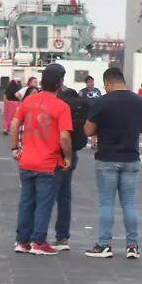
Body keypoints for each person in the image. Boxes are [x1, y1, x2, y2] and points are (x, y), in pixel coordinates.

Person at [83, 67, 142, 259]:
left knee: (107, 203)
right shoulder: (139, 101)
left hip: (107, 158)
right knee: (129, 203)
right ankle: (132, 246)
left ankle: (105, 244)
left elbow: (88, 131)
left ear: (108, 83)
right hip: (131, 158)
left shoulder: (101, 102)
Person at [10, 64, 73, 256]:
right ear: (60, 82)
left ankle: (22, 241)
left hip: (27, 160)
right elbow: (64, 136)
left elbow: (14, 123)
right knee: (44, 203)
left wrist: (15, 147)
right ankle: (39, 241)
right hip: (48, 162)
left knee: (26, 201)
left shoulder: (29, 101)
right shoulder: (62, 106)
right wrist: (68, 157)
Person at [53, 84, 90, 251]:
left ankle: (36, 235)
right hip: (72, 152)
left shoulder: (56, 103)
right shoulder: (79, 103)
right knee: (64, 195)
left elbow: (63, 134)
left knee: (42, 195)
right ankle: (62, 237)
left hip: (52, 151)